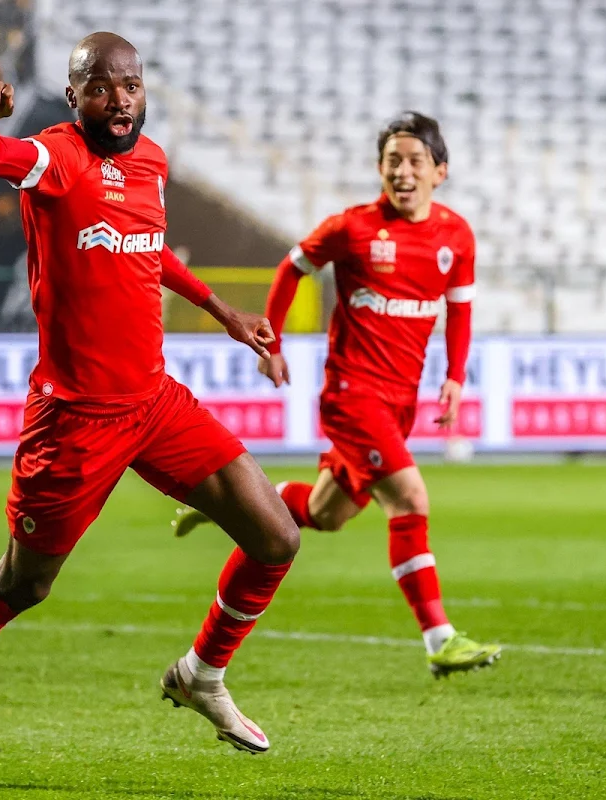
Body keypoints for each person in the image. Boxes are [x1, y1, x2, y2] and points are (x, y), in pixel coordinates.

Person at [0, 32, 300, 784]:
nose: (120, 102)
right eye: (101, 89)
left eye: (131, 86)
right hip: (74, 422)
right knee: (25, 583)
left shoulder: (152, 162)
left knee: (276, 537)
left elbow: (151, 248)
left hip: (156, 402)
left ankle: (201, 674)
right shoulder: (55, 156)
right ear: (75, 97)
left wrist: (226, 314)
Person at [174, 112, 500, 678]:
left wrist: (455, 376)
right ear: (379, 169)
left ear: (439, 172)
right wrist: (270, 343)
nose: (402, 171)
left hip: (401, 403)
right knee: (410, 500)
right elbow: (291, 269)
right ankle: (440, 639)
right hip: (353, 397)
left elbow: (460, 309)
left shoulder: (455, 236)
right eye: (392, 161)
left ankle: (226, 501)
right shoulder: (352, 229)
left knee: (327, 513)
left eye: (414, 161)